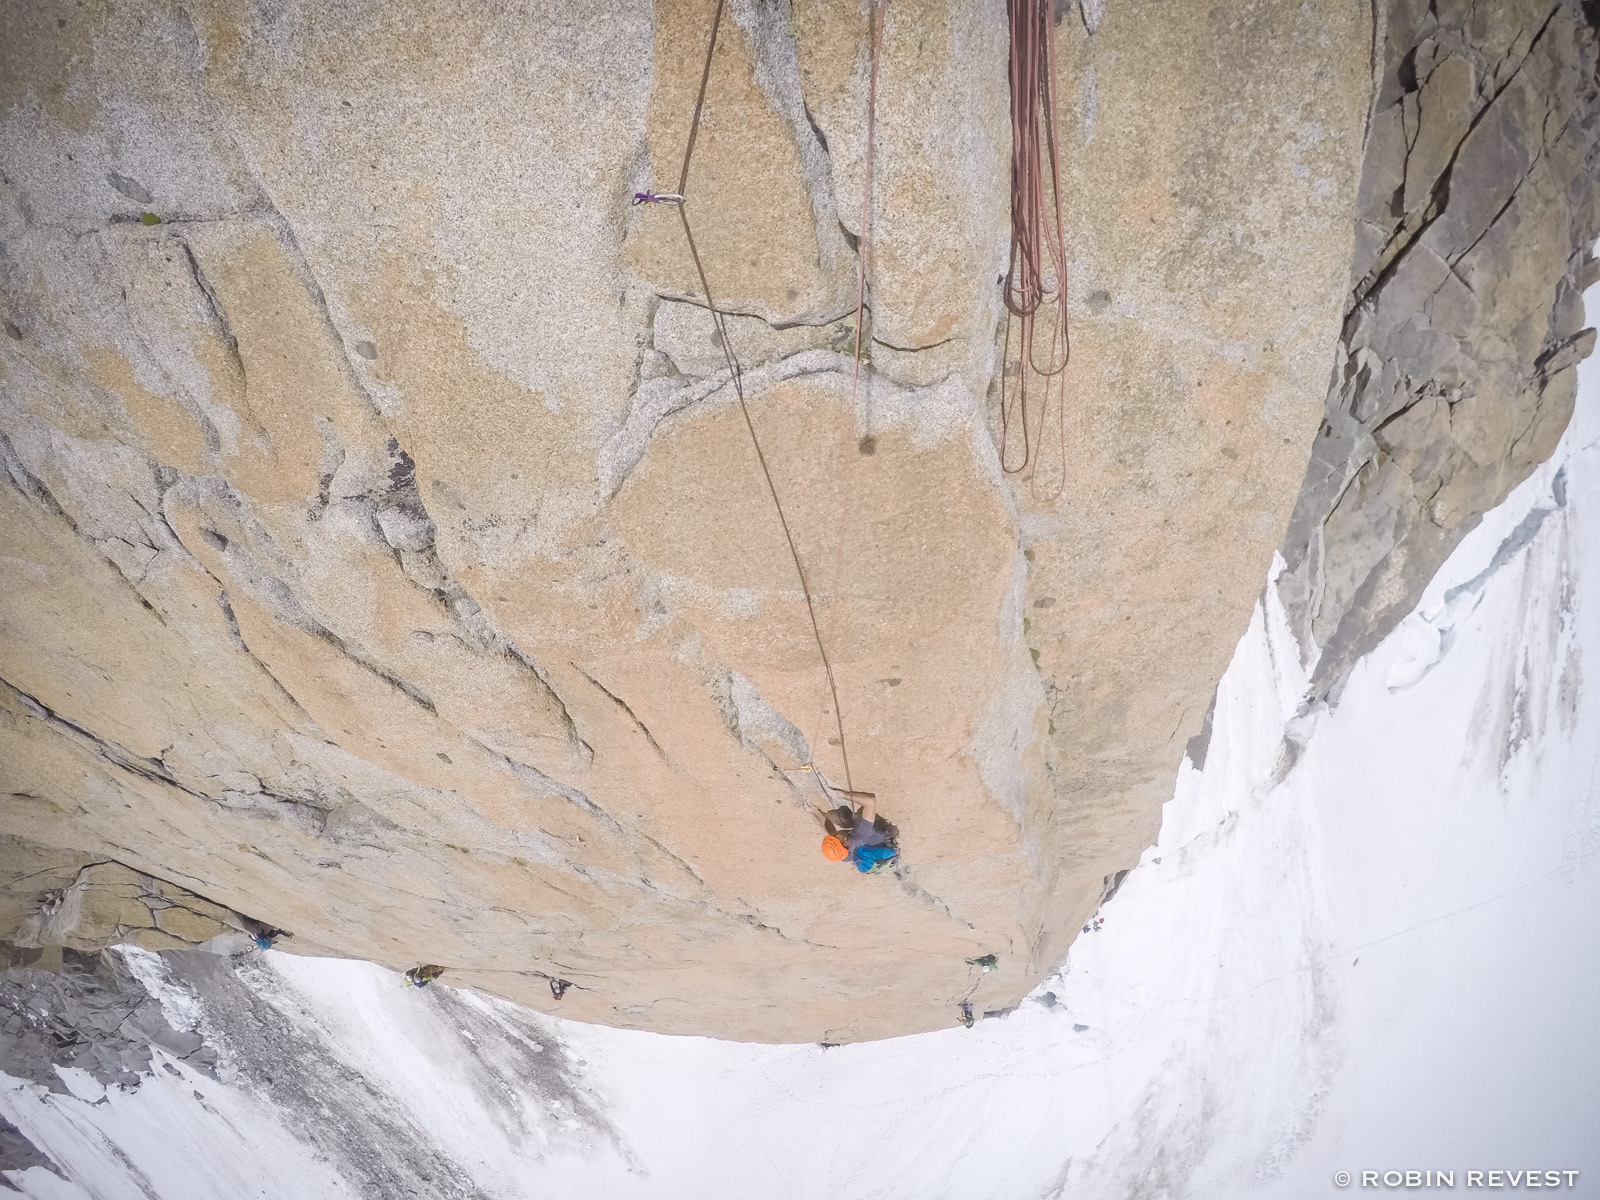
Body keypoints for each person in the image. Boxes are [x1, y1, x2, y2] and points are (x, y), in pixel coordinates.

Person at [818, 782, 898, 873]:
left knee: (835, 816)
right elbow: (871, 801)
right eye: (836, 835)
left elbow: (831, 831)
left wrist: (815, 812)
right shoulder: (864, 833)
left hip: (864, 841)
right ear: (844, 840)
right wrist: (844, 795)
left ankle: (849, 818)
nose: (834, 833)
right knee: (859, 815)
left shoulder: (843, 853)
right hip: (882, 836)